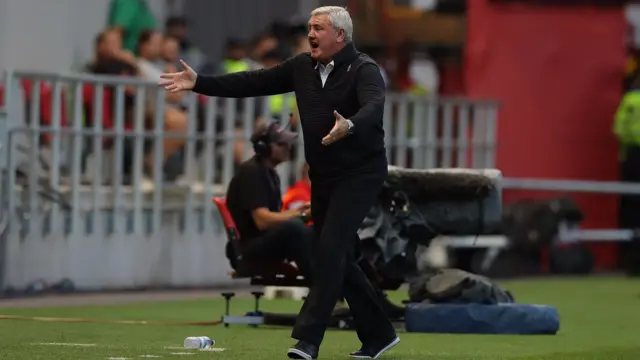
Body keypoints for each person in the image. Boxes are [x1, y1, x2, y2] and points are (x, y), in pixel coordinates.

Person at [159, 6, 399, 359]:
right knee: (339, 256)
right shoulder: (302, 67)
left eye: (319, 28)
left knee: (329, 249)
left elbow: (374, 105)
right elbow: (252, 82)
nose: (311, 33)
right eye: (310, 27)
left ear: (341, 36)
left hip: (360, 174)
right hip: (325, 175)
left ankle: (308, 340)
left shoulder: (364, 70)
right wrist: (200, 84)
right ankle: (379, 334)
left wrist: (350, 125)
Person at [226, 122, 314, 279]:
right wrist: (302, 215)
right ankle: (321, 278)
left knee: (319, 230)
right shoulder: (252, 172)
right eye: (281, 144)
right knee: (293, 227)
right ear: (263, 147)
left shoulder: (269, 173)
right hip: (250, 250)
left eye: (288, 144)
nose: (288, 148)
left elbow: (274, 217)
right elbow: (263, 221)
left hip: (261, 243)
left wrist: (301, 211)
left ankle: (335, 273)